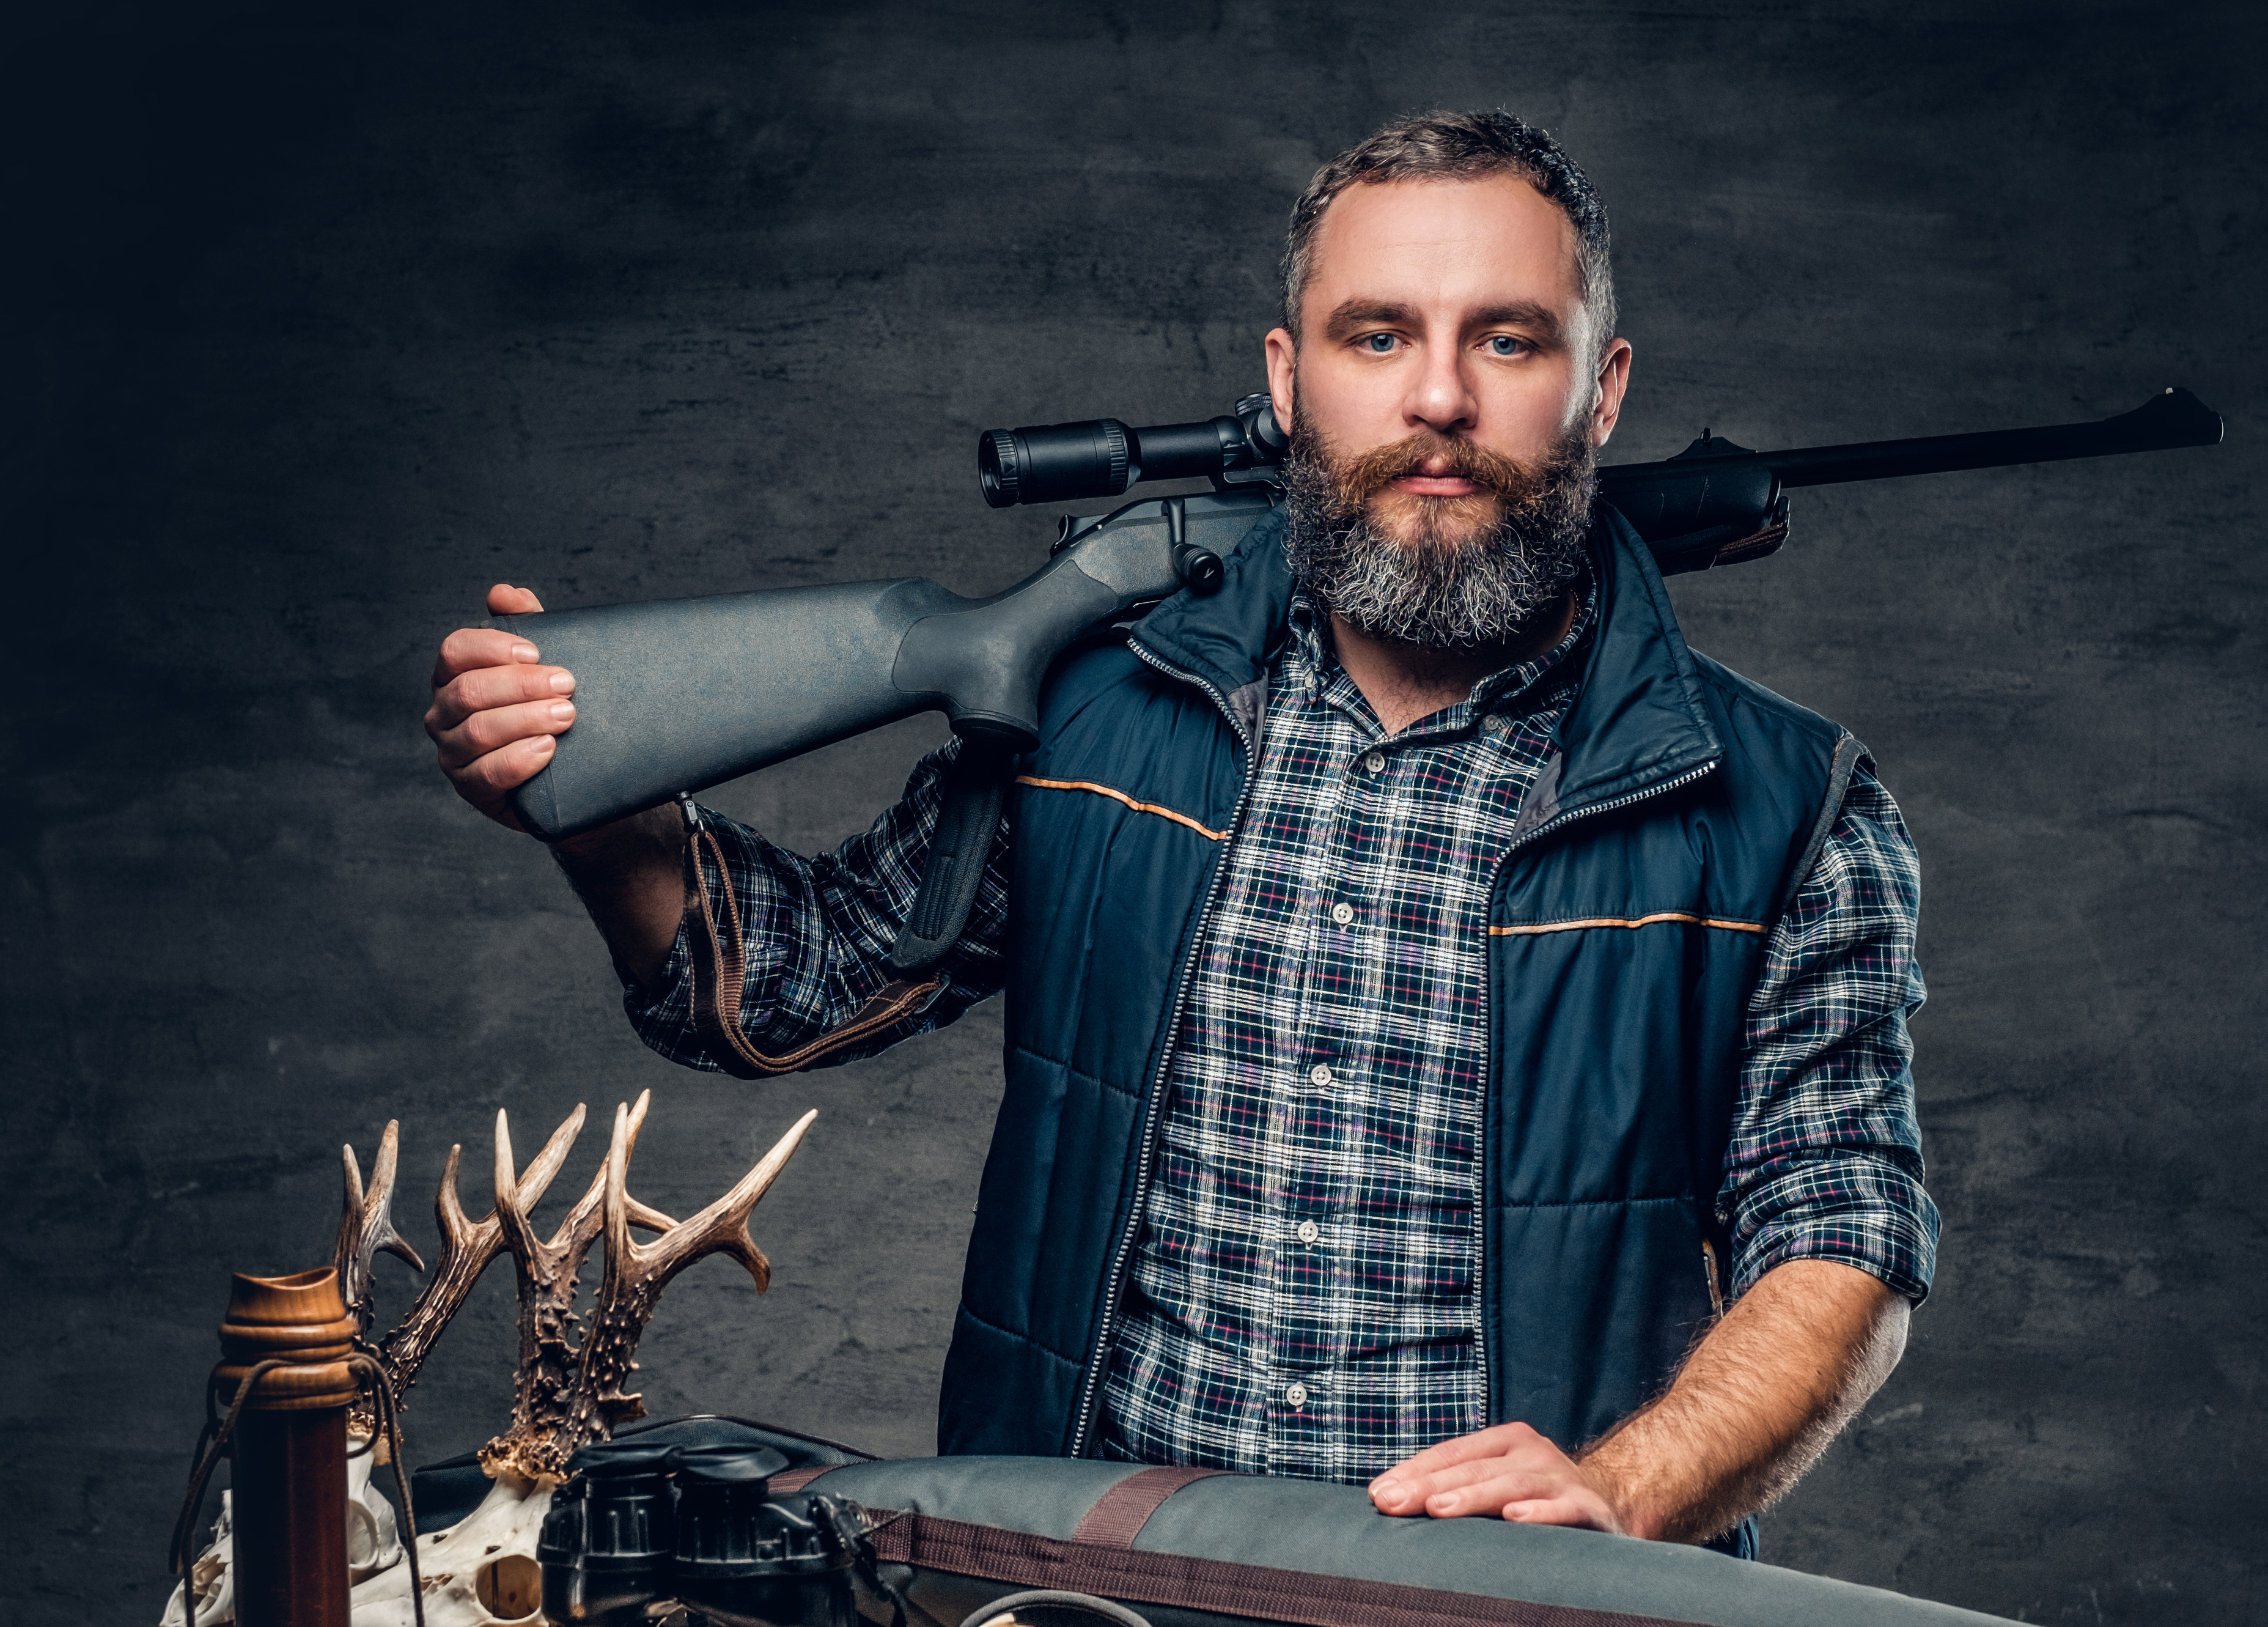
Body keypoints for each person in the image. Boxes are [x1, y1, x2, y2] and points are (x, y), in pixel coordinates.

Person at [423, 110, 1934, 1554]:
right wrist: (588, 797)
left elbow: (1844, 1231)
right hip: (1097, 1619)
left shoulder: (1789, 807)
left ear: (1600, 392)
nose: (1438, 400)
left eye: (1509, 340)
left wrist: (1619, 1491)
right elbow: (796, 988)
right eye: (1377, 335)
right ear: (1288, 379)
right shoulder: (1094, 707)